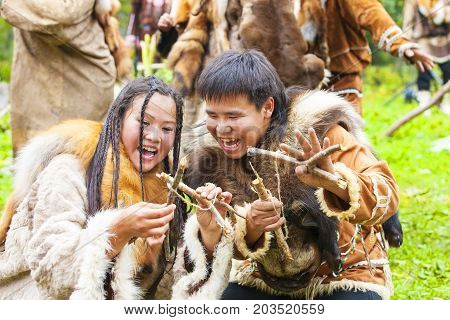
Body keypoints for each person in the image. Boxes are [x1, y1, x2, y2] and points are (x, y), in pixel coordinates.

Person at [185, 50, 399, 300]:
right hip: (261, 278)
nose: (221, 128)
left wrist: (335, 182)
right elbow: (230, 246)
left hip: (346, 275)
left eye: (234, 116)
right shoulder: (214, 158)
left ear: (267, 107)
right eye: (213, 115)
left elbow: (388, 196)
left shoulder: (318, 131)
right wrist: (252, 227)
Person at [0, 76, 234, 300]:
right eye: (144, 122)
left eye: (167, 129)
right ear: (118, 119)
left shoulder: (167, 185)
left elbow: (167, 296)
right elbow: (52, 273)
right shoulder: (68, 170)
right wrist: (117, 232)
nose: (154, 136)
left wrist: (207, 236)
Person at [0, 0, 116, 153]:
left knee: (75, 164)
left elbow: (61, 14)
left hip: (79, 89)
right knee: (33, 168)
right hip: (35, 89)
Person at [308, 0, 435, 114]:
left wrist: (401, 44)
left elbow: (372, 12)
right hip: (305, 85)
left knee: (345, 132)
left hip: (344, 80)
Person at [403, 0, 450, 114]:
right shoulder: (413, 1)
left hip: (444, 42)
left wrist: (443, 13)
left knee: (448, 71)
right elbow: (408, 23)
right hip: (423, 42)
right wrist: (406, 44)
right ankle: (424, 104)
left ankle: (445, 102)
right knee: (424, 71)